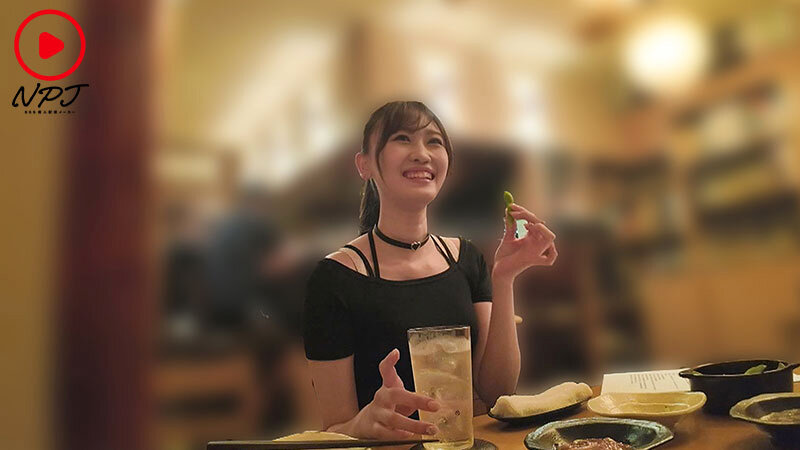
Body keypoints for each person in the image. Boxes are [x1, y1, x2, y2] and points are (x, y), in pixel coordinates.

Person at [303, 101, 557, 439]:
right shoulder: (335, 279)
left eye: (434, 141)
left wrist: (504, 277)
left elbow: (498, 392)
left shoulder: (467, 259)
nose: (422, 154)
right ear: (364, 165)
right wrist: (364, 424)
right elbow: (335, 431)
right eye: (402, 138)